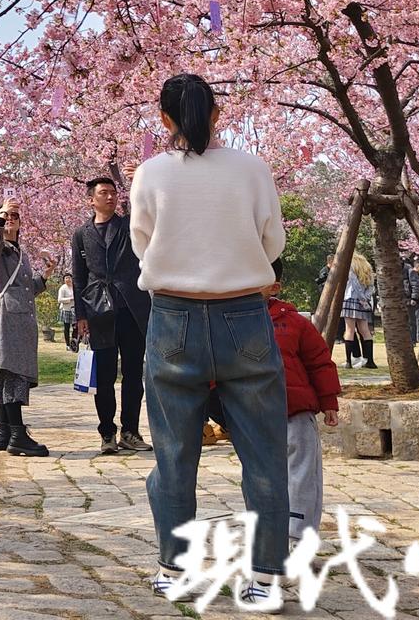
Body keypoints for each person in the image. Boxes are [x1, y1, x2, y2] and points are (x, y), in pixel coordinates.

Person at [130, 72, 288, 608]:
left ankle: (175, 569)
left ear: (165, 120)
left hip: (173, 316)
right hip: (244, 313)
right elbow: (273, 242)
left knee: (175, 454)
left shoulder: (150, 173)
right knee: (264, 456)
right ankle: (265, 577)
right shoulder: (251, 168)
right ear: (217, 114)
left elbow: (141, 244)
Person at [71, 176, 152, 457]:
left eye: (113, 193)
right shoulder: (81, 234)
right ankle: (107, 433)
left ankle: (130, 431)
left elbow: (144, 210)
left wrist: (135, 179)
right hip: (98, 311)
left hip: (131, 308)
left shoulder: (127, 225)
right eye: (103, 193)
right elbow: (79, 277)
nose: (110, 197)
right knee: (104, 376)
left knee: (132, 373)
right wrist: (80, 315)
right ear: (91, 199)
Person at [264, 258, 340, 542]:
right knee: (265, 477)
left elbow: (320, 362)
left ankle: (299, 536)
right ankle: (270, 532)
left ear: (274, 287)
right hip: (256, 416)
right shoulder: (232, 323)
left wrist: (329, 401)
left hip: (296, 412)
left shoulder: (295, 324)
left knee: (303, 475)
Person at [0, 199, 54, 457]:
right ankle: (18, 434)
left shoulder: (19, 253)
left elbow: (25, 290)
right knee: (11, 373)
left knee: (8, 374)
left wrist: (44, 276)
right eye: (5, 216)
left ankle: (4, 431)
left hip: (22, 321)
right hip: (8, 321)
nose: (11, 219)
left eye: (15, 216)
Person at [342, 253, 376, 369]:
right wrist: (365, 299)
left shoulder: (351, 268)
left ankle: (348, 361)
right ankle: (370, 361)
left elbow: (354, 284)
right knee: (365, 330)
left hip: (351, 299)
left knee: (349, 330)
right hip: (364, 303)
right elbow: (371, 286)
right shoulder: (368, 269)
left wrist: (361, 297)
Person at [404, 258, 419, 346]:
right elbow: (414, 286)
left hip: (418, 301)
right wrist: (414, 298)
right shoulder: (411, 272)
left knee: (417, 320)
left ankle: (417, 338)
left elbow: (417, 286)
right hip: (414, 300)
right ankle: (415, 338)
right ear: (417, 266)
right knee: (414, 320)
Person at [58, 273, 77, 352]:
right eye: (66, 278)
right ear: (64, 280)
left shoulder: (74, 287)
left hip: (74, 309)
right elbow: (59, 300)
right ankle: (67, 344)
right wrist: (70, 299)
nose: (68, 280)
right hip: (66, 309)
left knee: (75, 327)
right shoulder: (63, 288)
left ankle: (74, 343)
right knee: (66, 328)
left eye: (69, 278)